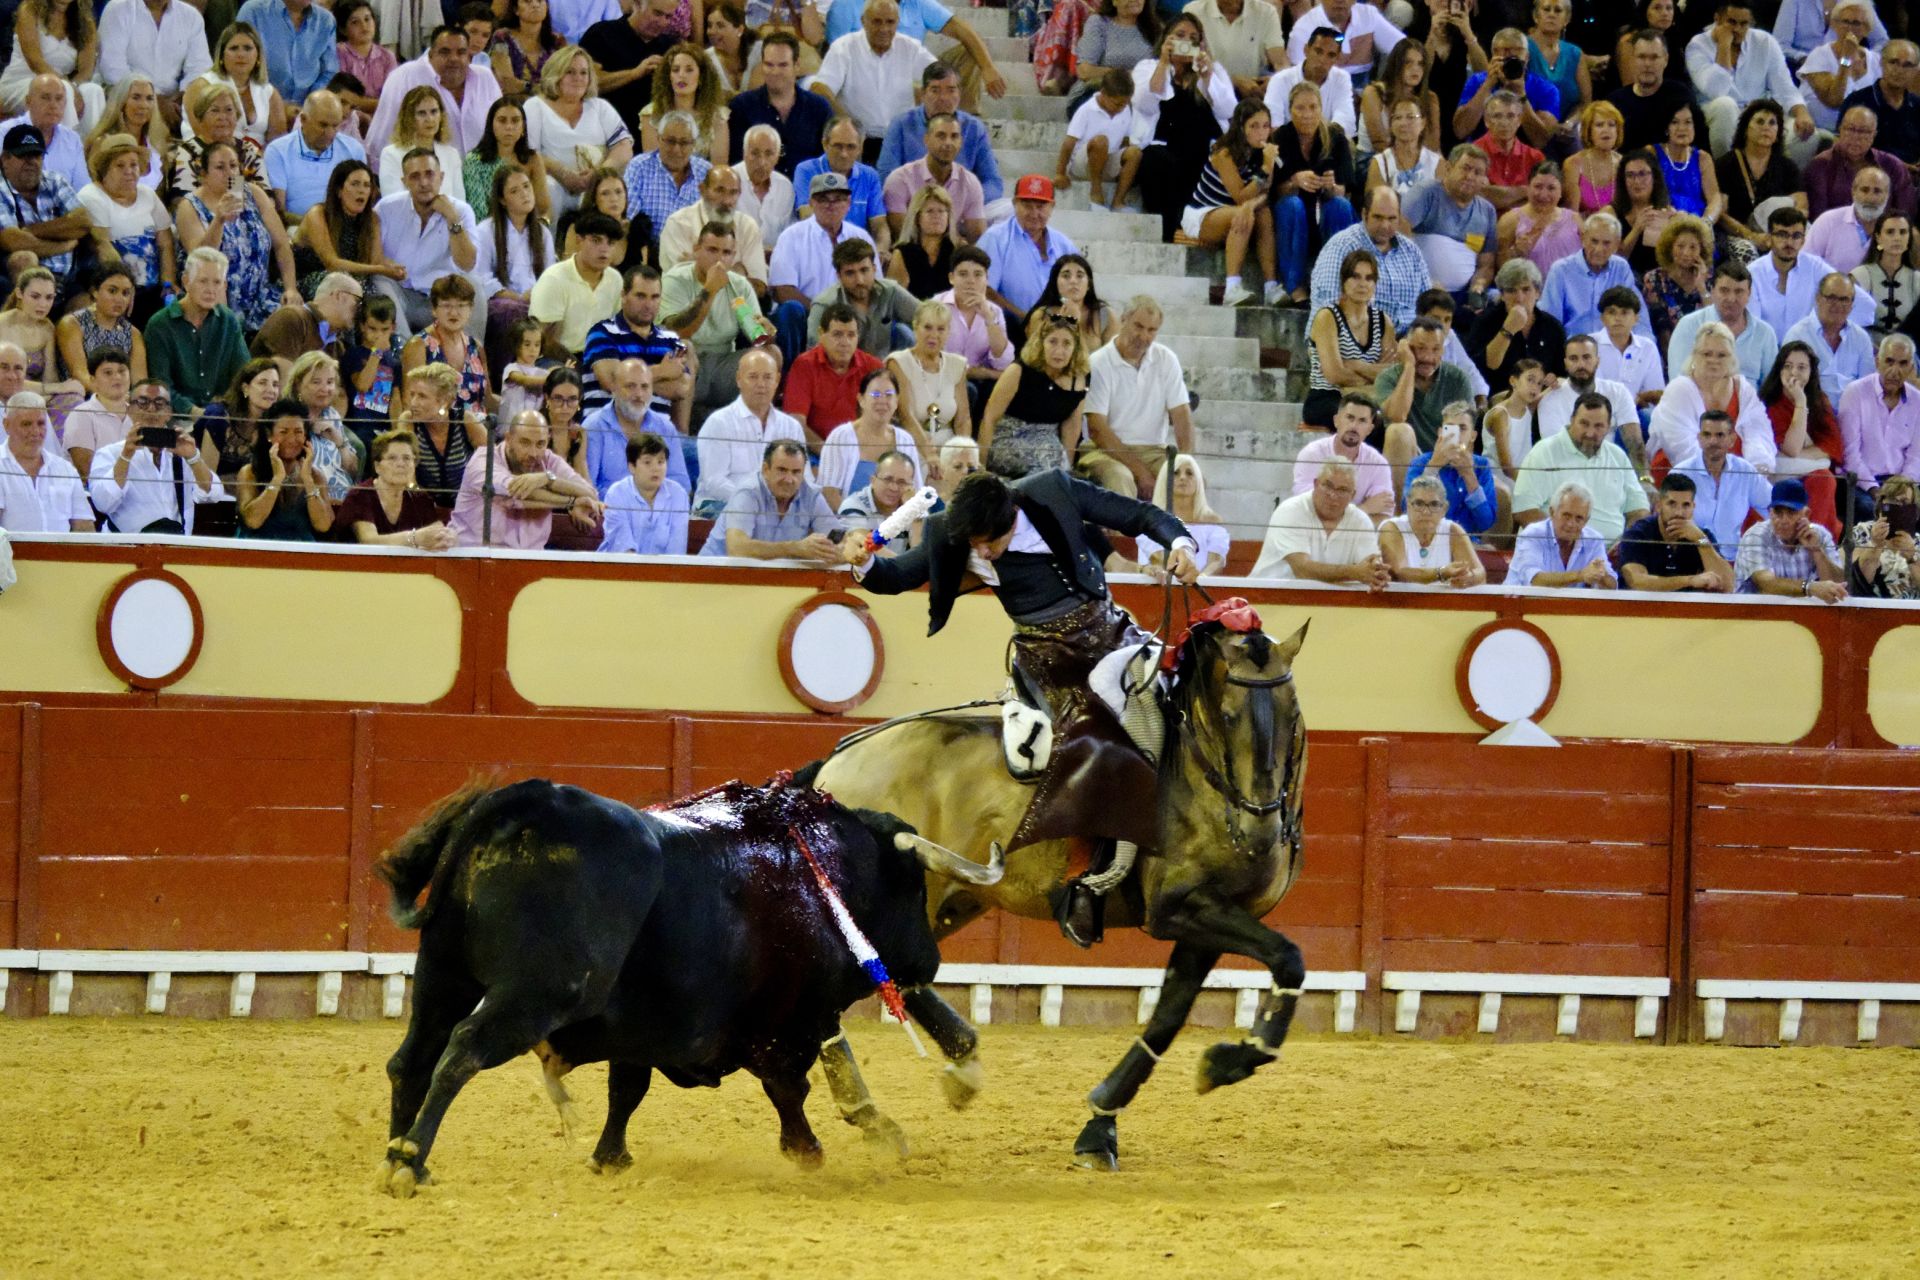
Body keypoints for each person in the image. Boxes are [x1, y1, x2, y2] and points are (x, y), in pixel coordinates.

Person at [837, 461, 1195, 940]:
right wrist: (862, 562)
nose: (982, 552)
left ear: (1012, 515)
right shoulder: (952, 532)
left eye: (991, 541)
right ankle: (1094, 879)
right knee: (1099, 742)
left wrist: (1180, 544)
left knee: (1186, 704)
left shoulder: (1052, 492)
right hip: (1048, 664)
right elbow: (896, 574)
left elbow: (1138, 515)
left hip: (1113, 635)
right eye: (974, 544)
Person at [1076, 296, 1192, 500]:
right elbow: (1097, 429)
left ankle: (1177, 533)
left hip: (1155, 450)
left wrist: (1186, 461)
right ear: (1123, 320)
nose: (1144, 336)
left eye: (1151, 330)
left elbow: (1181, 414)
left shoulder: (1167, 359)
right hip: (1104, 451)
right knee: (1120, 478)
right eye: (1138, 326)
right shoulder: (1099, 362)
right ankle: (1120, 534)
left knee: (1186, 482)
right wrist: (1141, 472)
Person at [87, 378, 226, 533]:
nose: (151, 409)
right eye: (143, 402)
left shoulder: (183, 453)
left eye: (159, 403)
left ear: (169, 412)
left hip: (175, 548)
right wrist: (125, 457)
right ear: (130, 409)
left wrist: (193, 458)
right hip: (125, 548)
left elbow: (213, 494)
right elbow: (103, 503)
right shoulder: (109, 454)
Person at [449, 407, 603, 546]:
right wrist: (571, 501)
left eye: (540, 444)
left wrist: (549, 479)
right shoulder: (484, 459)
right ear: (508, 439)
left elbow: (591, 493)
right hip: (474, 556)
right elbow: (516, 494)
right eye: (525, 443)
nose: (533, 453)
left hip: (529, 560)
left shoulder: (549, 460)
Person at [1685, 1, 1817, 163]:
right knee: (1725, 105)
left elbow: (1784, 87)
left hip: (1757, 112)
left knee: (1806, 135)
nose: (1737, 30)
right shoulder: (1697, 45)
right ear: (1717, 19)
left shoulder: (1764, 41)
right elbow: (1716, 90)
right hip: (1715, 111)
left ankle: (1780, 180)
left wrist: (1801, 112)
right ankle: (1727, 170)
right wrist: (1724, 46)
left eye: (1744, 24)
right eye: (1731, 22)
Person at [1179, 100, 1280, 310]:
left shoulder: (1263, 153)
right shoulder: (1224, 153)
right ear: (1241, 128)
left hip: (1239, 209)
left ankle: (1271, 287)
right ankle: (1232, 287)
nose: (1261, 132)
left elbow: (1265, 194)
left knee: (1264, 213)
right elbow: (1240, 196)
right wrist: (1265, 169)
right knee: (1243, 214)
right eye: (1254, 126)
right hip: (1203, 212)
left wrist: (1253, 202)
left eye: (1265, 126)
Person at [659, 220, 766, 413]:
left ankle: (756, 428)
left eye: (726, 253)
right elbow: (677, 332)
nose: (719, 259)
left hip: (724, 364)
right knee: (685, 346)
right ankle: (682, 433)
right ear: (696, 249)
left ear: (733, 256)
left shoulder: (739, 285)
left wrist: (767, 331)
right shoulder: (675, 279)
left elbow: (757, 337)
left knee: (771, 354)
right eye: (712, 250)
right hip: (687, 364)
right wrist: (710, 289)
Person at [1512, 392, 1650, 541]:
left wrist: (1625, 544)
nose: (1590, 433)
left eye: (1598, 426)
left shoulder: (1617, 456)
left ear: (1609, 427)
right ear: (1572, 420)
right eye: (1584, 424)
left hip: (1610, 556)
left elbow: (1639, 509)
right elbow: (1524, 511)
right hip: (1556, 551)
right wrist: (1568, 544)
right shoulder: (1544, 452)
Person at [374, 148, 480, 337]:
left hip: (443, 299)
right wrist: (387, 264)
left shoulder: (461, 211)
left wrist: (452, 219)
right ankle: (404, 353)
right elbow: (372, 255)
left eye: (429, 174)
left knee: (475, 286)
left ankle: (469, 358)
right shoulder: (386, 208)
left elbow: (467, 263)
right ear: (404, 182)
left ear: (441, 177)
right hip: (400, 293)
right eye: (414, 176)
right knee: (380, 281)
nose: (423, 183)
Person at [1272, 82, 1357, 308]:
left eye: (1313, 107)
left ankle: (1335, 286)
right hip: (1293, 212)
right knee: (1292, 205)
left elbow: (1345, 189)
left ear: (1321, 109)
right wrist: (1295, 181)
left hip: (1325, 209)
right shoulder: (1281, 137)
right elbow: (1274, 189)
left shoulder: (1335, 137)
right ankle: (1294, 286)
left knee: (1340, 206)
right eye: (1300, 108)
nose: (1307, 114)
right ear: (1290, 110)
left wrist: (1332, 186)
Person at [1649, 321, 1776, 472]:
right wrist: (1718, 477)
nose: (1713, 360)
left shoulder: (1743, 389)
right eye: (1706, 354)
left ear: (1732, 358)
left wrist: (1755, 472)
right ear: (1694, 355)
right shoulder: (1679, 390)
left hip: (1737, 477)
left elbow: (1759, 434)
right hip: (1681, 479)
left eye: (1722, 355)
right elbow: (1680, 447)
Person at [978, 309, 1089, 479]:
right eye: (1052, 342)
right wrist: (981, 470)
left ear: (1075, 348)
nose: (1059, 350)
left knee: (1063, 472)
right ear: (1041, 343)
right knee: (1044, 467)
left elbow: (1072, 427)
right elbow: (989, 419)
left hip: (1049, 442)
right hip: (1009, 436)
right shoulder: (1018, 370)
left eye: (1067, 343)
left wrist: (1068, 470)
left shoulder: (1081, 378)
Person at [810, 1, 937, 149]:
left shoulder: (911, 48)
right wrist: (848, 123)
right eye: (877, 21)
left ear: (898, 22)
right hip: (858, 141)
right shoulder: (843, 47)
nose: (884, 29)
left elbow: (942, 76)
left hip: (901, 139)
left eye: (890, 22)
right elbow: (819, 88)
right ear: (863, 21)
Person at [75, 138, 177, 318]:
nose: (129, 171)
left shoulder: (147, 194)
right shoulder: (91, 196)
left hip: (153, 286)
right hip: (115, 287)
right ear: (104, 169)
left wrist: (168, 285)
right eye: (120, 166)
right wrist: (125, 290)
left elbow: (165, 244)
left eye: (134, 165)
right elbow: (102, 247)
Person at [528, 46, 635, 217]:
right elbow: (528, 152)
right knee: (548, 189)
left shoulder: (600, 107)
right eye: (570, 72)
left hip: (595, 183)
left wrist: (599, 174)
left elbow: (624, 147)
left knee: (616, 188)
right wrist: (562, 173)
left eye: (584, 73)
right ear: (555, 75)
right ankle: (546, 242)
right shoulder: (535, 106)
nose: (578, 78)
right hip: (554, 181)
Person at [1309, 186, 1431, 334]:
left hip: (1406, 344)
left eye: (1392, 218)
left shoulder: (1411, 251)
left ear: (1399, 218)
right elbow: (1329, 307)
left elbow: (1428, 305)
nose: (1385, 225)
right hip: (1355, 341)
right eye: (1378, 217)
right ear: (1364, 214)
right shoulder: (1342, 246)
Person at [366, 25, 502, 157]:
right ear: (430, 54)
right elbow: (382, 137)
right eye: (445, 52)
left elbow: (501, 127)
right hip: (422, 175)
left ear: (469, 56)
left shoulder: (485, 78)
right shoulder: (406, 76)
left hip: (482, 174)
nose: (454, 58)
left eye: (461, 52)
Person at [144, 247, 250, 417]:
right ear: (186, 281)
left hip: (223, 417)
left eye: (217, 282)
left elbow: (244, 374)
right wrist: (192, 411)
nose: (210, 289)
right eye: (203, 281)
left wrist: (226, 404)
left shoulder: (229, 321)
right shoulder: (160, 325)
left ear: (224, 286)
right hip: (175, 418)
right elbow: (161, 385)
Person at [1252, 457, 1388, 587]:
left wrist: (1376, 572)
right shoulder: (1291, 510)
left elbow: (1370, 563)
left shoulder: (1360, 520)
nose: (1333, 495)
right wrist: (1355, 572)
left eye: (1342, 490)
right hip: (1268, 599)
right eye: (1328, 486)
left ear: (1352, 495)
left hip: (1326, 603)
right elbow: (1302, 569)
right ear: (1316, 484)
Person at [701, 437, 842, 558]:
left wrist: (840, 551)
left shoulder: (811, 496)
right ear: (765, 469)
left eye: (796, 472)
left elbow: (842, 544)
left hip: (769, 580)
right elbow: (737, 548)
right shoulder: (748, 493)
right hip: (713, 577)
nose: (789, 479)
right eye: (782, 470)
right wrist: (796, 548)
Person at [0, 123, 97, 298]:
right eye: (23, 156)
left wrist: (29, 230)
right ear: (5, 159)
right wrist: (64, 245)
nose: (31, 162)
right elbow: (13, 241)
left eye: (36, 155)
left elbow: (83, 222)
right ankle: (28, 319)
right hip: (17, 284)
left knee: (87, 317)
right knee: (24, 257)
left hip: (67, 281)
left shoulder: (55, 181)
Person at [977, 176, 1079, 339]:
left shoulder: (1065, 245)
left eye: (1041, 206)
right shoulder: (995, 238)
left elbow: (1079, 291)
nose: (1034, 213)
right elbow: (985, 291)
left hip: (1058, 332)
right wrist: (1028, 320)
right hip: (1009, 331)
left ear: (1052, 206)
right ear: (1014, 204)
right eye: (1027, 205)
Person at [1750, 205, 1865, 344]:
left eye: (1796, 236)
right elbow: (1753, 328)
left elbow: (1864, 304)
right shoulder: (1753, 273)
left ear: (1803, 240)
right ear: (1769, 238)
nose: (1789, 242)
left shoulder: (1815, 267)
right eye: (1782, 234)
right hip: (1766, 354)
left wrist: (1834, 332)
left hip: (1808, 355)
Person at [292, 160, 403, 302]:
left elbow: (376, 260)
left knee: (377, 295)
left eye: (367, 185)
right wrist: (381, 270)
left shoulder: (372, 219)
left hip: (349, 279)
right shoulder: (318, 214)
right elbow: (332, 263)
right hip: (308, 279)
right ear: (339, 190)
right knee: (348, 288)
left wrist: (394, 267)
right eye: (355, 184)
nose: (362, 190)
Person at [1374, 318, 1470, 482]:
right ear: (1407, 348)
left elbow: (1464, 432)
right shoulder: (1388, 378)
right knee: (1398, 431)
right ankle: (1399, 507)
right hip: (1410, 459)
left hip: (1446, 459)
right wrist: (1409, 366)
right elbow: (1398, 416)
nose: (1428, 357)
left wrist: (1439, 465)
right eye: (1420, 349)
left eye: (1436, 349)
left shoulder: (1457, 378)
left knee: (1501, 493)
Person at [726, 31, 832, 179]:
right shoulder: (742, 107)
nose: (775, 72)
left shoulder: (819, 108)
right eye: (769, 65)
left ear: (797, 66)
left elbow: (827, 163)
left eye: (783, 65)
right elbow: (735, 162)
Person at [581, 356, 692, 497]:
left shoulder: (665, 427)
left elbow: (681, 483)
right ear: (614, 388)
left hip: (657, 513)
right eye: (630, 386)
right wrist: (633, 501)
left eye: (645, 387)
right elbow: (588, 487)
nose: (639, 394)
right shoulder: (593, 427)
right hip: (610, 514)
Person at [1304, 250, 1390, 430]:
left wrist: (1358, 365)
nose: (1362, 284)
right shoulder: (1327, 317)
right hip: (1327, 396)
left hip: (1368, 399)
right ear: (1344, 281)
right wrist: (1373, 376)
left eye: (1369, 278)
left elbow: (1391, 374)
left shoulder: (1383, 321)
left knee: (1391, 418)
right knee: (1369, 422)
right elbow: (1334, 374)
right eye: (1356, 277)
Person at [1837, 334, 1920, 521]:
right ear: (1877, 362)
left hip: (1902, 484)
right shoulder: (1855, 393)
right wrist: (1876, 490)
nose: (1894, 370)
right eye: (1889, 361)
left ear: (1911, 368)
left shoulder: (1917, 401)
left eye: (1902, 363)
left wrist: (1901, 489)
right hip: (1862, 483)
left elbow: (1916, 457)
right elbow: (1850, 455)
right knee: (1869, 510)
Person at [1669, 408, 1772, 559]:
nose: (1713, 441)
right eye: (1707, 435)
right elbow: (1669, 524)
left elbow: (1771, 507)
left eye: (1720, 435)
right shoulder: (1680, 473)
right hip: (1689, 559)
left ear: (1732, 440)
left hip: (1734, 561)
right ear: (1699, 439)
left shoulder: (1744, 471)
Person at [334, 426, 458, 547]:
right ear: (377, 466)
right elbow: (369, 541)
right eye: (392, 458)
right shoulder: (360, 495)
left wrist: (447, 537)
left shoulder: (420, 498)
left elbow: (437, 531)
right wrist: (415, 538)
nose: (400, 464)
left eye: (407, 458)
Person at [817, 366, 921, 508]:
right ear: (861, 399)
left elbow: (914, 491)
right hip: (849, 524)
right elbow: (829, 492)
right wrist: (854, 522)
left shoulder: (905, 440)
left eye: (889, 394)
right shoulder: (840, 436)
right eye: (875, 395)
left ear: (897, 402)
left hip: (895, 525)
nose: (882, 401)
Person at [1541, 212, 1653, 344]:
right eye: (1594, 241)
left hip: (1613, 348)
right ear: (1583, 239)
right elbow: (1549, 322)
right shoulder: (1560, 270)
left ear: (1617, 245)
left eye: (1606, 243)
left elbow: (1637, 314)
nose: (1599, 249)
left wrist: (1647, 345)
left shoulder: (1621, 267)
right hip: (1574, 350)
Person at [1663, 242, 1766, 382]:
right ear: (1712, 291)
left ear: (1749, 294)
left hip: (1750, 402)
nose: (1731, 298)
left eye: (1739, 291)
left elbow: (1770, 388)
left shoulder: (1765, 333)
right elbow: (1678, 380)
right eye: (1724, 290)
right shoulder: (1689, 325)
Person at [1404, 146, 1497, 302]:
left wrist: (1478, 287)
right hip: (1421, 291)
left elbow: (1485, 266)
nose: (1470, 176)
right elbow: (1399, 241)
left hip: (1463, 297)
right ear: (1448, 168)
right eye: (1465, 168)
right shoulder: (1426, 193)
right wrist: (1424, 282)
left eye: (1477, 173)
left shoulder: (1487, 211)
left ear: (1484, 180)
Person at [1617, 471, 1734, 592]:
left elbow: (1727, 586)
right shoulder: (1638, 533)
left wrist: (1701, 540)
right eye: (1672, 504)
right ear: (1659, 506)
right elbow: (1637, 582)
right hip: (1642, 608)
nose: (1679, 512)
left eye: (1686, 505)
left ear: (1694, 507)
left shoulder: (1701, 536)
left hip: (1688, 609)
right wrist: (1690, 580)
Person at [233, 399, 333, 540]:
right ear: (269, 435)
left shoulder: (315, 476)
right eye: (284, 432)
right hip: (257, 551)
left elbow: (323, 526)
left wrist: (308, 481)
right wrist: (277, 479)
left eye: (298, 432)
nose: (292, 439)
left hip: (301, 552)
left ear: (305, 436)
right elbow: (252, 521)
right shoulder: (250, 472)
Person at [806, 237, 918, 359]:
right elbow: (814, 355)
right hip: (843, 372)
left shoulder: (890, 291)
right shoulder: (824, 304)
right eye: (850, 273)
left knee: (906, 334)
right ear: (839, 276)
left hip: (884, 372)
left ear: (874, 269)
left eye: (864, 270)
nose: (859, 280)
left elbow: (927, 316)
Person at [1289, 390, 1394, 520]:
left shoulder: (1378, 463)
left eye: (1362, 421)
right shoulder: (1312, 454)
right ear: (1336, 420)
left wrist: (1340, 514)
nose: (1354, 426)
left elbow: (1383, 514)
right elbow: (1310, 510)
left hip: (1357, 539)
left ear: (1370, 429)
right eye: (1349, 418)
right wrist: (1364, 509)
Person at [1467, 258, 1565, 397]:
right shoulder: (1485, 322)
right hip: (1498, 399)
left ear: (1537, 293)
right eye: (1511, 290)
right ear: (1502, 295)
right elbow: (1488, 365)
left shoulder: (1552, 327)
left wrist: (1553, 378)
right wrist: (1508, 329)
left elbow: (1562, 372)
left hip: (1541, 401)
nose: (1519, 298)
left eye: (1526, 289)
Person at [1716, 99, 1805, 250]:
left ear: (1777, 134)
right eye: (1760, 121)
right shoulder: (1726, 164)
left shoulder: (1787, 167)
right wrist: (1751, 236)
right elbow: (1721, 215)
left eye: (1772, 123)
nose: (1766, 128)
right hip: (1738, 236)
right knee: (1747, 250)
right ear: (1745, 129)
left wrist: (1783, 235)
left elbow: (1802, 207)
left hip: (1780, 235)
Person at [262, 92, 362, 222]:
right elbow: (279, 212)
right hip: (297, 229)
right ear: (303, 119)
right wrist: (316, 226)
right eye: (323, 125)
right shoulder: (278, 151)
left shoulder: (354, 150)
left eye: (335, 125)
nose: (330, 133)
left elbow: (360, 206)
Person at [1804, 107, 1916, 223]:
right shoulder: (1820, 166)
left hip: (1885, 235)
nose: (1856, 137)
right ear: (1840, 130)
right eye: (1850, 129)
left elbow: (1905, 215)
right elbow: (1818, 218)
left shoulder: (1892, 165)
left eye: (1864, 131)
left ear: (1874, 135)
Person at [658, 165, 766, 285]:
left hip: (737, 303)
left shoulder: (748, 227)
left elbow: (759, 287)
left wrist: (700, 266)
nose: (727, 201)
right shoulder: (678, 224)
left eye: (733, 192)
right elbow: (682, 282)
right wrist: (737, 271)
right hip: (690, 303)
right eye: (719, 190)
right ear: (702, 190)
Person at [1454, 27, 1559, 149]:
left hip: (1526, 158)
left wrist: (1521, 94)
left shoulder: (1546, 89)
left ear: (1527, 57)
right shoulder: (1477, 82)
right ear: (1494, 55)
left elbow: (1541, 141)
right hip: (1481, 155)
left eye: (1517, 51)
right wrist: (1487, 85)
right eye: (1504, 51)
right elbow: (1461, 131)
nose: (1511, 57)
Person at [398, 362, 486, 508]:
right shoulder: (408, 422)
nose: (413, 403)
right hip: (423, 509)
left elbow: (493, 464)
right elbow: (407, 477)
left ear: (444, 401)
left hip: (469, 507)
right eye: (412, 395)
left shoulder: (465, 421)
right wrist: (422, 503)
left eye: (422, 396)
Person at [0, 390, 92, 530]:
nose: (35, 431)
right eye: (26, 424)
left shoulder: (64, 469)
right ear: (6, 425)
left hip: (62, 552)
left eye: (41, 423)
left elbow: (84, 527)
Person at [1403, 401, 1497, 536]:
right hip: (1426, 538)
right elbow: (1407, 510)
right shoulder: (1421, 463)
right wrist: (1433, 467)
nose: (1456, 435)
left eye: (1463, 428)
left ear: (1473, 436)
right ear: (1440, 432)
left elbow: (1486, 523)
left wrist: (1469, 475)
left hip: (1466, 542)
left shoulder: (1481, 466)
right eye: (1450, 429)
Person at [1507, 483, 1622, 591]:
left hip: (1567, 609)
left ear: (1586, 521)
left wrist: (1602, 575)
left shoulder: (1593, 540)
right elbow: (1536, 580)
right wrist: (1580, 575)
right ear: (1552, 512)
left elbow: (1612, 585)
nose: (1571, 524)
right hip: (1518, 606)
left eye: (1579, 518)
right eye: (1566, 516)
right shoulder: (1532, 535)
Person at [1054, 70, 1139, 215]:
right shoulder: (1086, 110)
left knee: (1135, 152)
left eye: (1124, 105)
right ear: (1104, 93)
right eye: (1117, 104)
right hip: (1083, 164)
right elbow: (1069, 142)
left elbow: (1125, 140)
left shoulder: (1125, 109)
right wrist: (1060, 173)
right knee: (1101, 141)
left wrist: (1123, 163)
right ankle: (1096, 193)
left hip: (1107, 161)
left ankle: (1118, 201)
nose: (1120, 108)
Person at [1739, 480, 1844, 598]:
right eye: (1778, 513)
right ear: (1770, 512)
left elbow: (1839, 586)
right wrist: (1809, 587)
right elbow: (1766, 584)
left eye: (1791, 512)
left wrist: (1817, 552)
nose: (1784, 520)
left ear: (1806, 514)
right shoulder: (1756, 535)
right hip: (1758, 613)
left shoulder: (1821, 535)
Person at [1782, 273, 1876, 403]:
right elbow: (1789, 386)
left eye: (1844, 299)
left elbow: (1868, 387)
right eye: (1831, 297)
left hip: (1852, 412)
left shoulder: (1861, 338)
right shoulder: (1797, 335)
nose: (1837, 304)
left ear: (1852, 304)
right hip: (1810, 412)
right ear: (1818, 298)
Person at [0, 0, 99, 123]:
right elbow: (35, 62)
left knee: (93, 91)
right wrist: (64, 86)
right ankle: (63, 140)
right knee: (62, 92)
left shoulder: (86, 22)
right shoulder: (29, 10)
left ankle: (91, 140)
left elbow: (86, 70)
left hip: (65, 83)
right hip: (22, 81)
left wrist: (74, 87)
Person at [887, 298, 969, 444]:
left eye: (941, 329)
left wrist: (963, 451)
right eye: (928, 327)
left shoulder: (957, 364)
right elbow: (906, 416)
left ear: (948, 332)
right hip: (912, 443)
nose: (934, 335)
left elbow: (962, 420)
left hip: (948, 445)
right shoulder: (898, 362)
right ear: (915, 327)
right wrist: (929, 453)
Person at [1379, 472, 1484, 586]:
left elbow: (1480, 573)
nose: (1426, 511)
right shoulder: (1392, 528)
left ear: (1444, 508)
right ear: (1408, 505)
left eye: (1434, 504)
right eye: (1419, 504)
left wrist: (1468, 577)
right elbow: (1399, 573)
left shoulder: (1453, 530)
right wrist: (1441, 573)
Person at [201, 20, 291, 150]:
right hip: (215, 158)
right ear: (221, 55)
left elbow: (277, 144)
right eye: (234, 48)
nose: (241, 54)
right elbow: (201, 135)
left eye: (248, 48)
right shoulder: (205, 85)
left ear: (258, 56)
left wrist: (257, 163)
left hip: (258, 162)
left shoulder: (269, 92)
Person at [597, 430, 690, 554]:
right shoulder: (617, 493)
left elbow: (677, 548)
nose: (656, 468)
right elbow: (623, 546)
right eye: (647, 462)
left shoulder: (678, 494)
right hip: (618, 568)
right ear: (632, 467)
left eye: (661, 462)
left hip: (663, 571)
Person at [1796, 0, 1879, 135]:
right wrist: (1846, 58)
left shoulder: (1876, 60)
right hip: (1819, 130)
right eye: (1845, 21)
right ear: (1834, 24)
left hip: (1861, 134)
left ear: (1866, 29)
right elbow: (1834, 100)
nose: (1849, 28)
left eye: (1856, 23)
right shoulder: (1819, 55)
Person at [196, 355, 281, 482]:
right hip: (208, 495)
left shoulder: (273, 423)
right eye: (262, 383)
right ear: (245, 388)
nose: (271, 390)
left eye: (275, 385)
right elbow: (206, 483)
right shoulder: (219, 417)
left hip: (247, 496)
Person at [1288, 1, 1404, 93]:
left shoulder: (1368, 15)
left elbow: (1405, 49)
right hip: (1321, 95)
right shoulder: (1304, 28)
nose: (1340, 0)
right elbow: (1299, 80)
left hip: (1366, 94)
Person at [1265, 25, 1356, 140]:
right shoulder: (1280, 80)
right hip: (1288, 148)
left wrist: (1318, 143)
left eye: (1331, 55)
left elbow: (1346, 121)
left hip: (1329, 147)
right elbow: (1273, 125)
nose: (1323, 60)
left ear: (1337, 59)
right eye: (1318, 51)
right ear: (1306, 50)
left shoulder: (1342, 78)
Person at [1142, 451, 1227, 575]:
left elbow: (1216, 562)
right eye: (1175, 473)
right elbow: (1157, 560)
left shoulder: (1213, 520)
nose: (1182, 478)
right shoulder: (1151, 518)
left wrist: (1200, 579)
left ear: (1198, 481)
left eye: (1189, 473)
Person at [85, 75, 172, 196]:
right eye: (136, 97)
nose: (143, 105)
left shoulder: (157, 144)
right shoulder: (103, 144)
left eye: (149, 98)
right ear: (121, 102)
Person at [252, 270, 363, 362]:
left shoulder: (336, 347)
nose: (359, 310)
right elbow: (284, 377)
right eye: (358, 302)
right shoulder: (292, 317)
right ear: (339, 295)